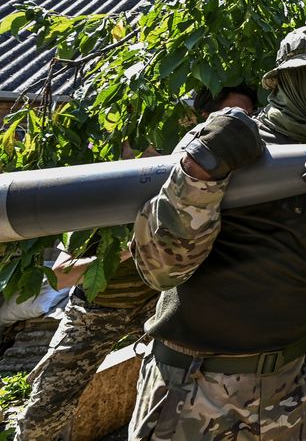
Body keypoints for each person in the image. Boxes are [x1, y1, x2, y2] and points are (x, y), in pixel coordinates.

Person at [128, 25, 306, 440]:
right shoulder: (223, 143)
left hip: (297, 388)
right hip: (195, 392)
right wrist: (201, 174)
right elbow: (160, 269)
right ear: (294, 77)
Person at [14, 87, 257, 441]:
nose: (149, 156)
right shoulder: (99, 198)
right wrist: (124, 252)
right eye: (139, 148)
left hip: (159, 306)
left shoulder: (188, 187)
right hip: (99, 309)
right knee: (46, 410)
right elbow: (62, 277)